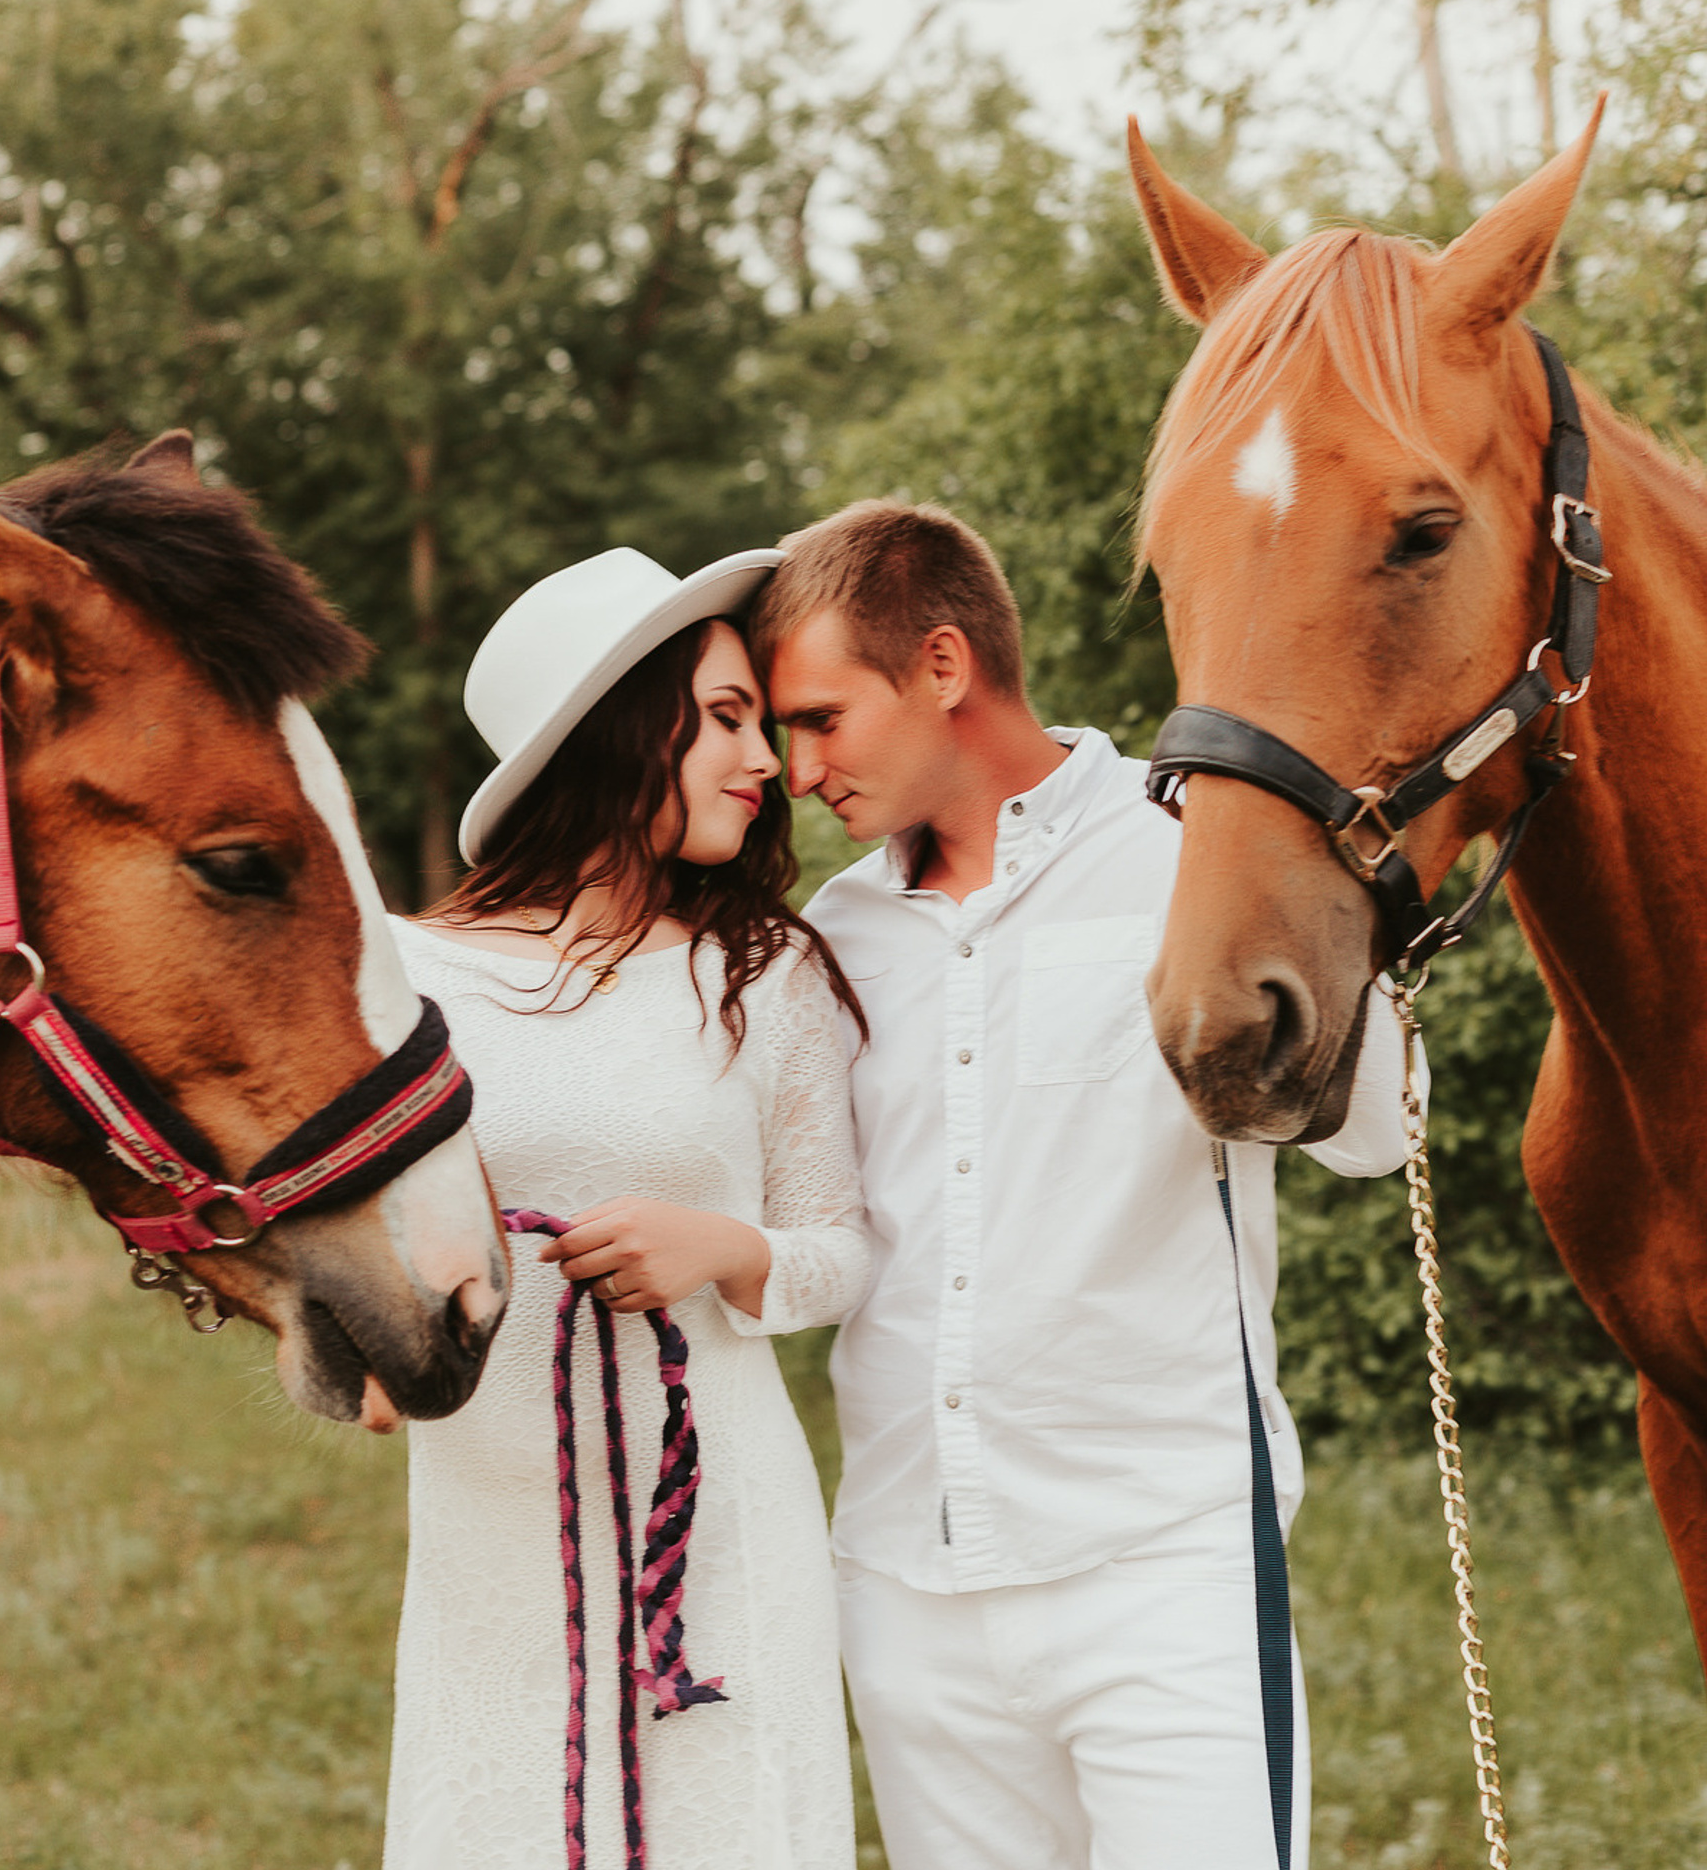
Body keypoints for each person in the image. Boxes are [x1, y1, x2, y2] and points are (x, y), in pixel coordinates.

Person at [752, 499, 1420, 1870]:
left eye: (821, 719)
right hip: (905, 1583)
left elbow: (1381, 1131)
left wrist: (1296, 927)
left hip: (1162, 1575)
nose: (797, 766)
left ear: (943, 668)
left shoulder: (1191, 852)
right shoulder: (834, 938)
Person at [381, 545, 869, 1870]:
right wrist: (393, 1336)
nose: (766, 761)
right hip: (497, 1531)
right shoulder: (408, 977)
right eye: (722, 720)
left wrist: (720, 1247)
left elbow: (840, 1253)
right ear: (612, 730)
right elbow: (357, 1258)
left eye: (758, 721)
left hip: (722, 1524)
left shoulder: (766, 971)